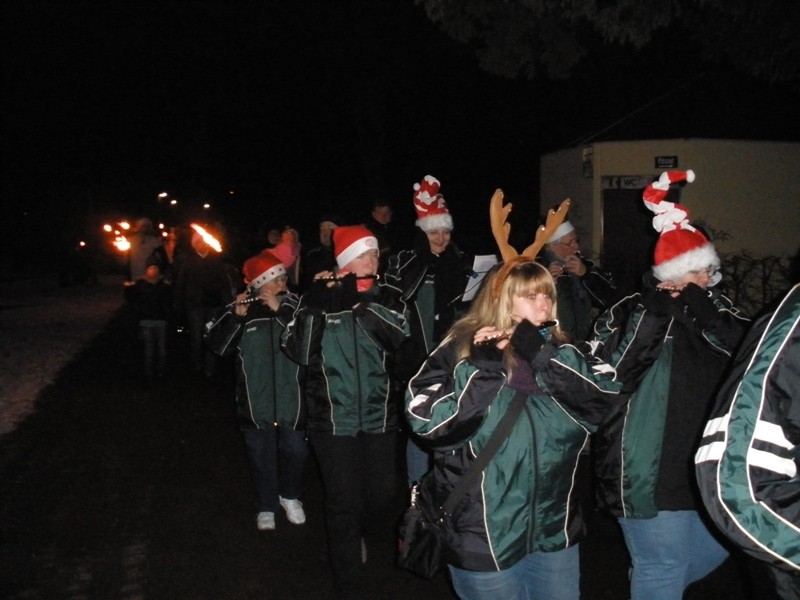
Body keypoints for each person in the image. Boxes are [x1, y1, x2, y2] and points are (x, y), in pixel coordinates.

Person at [406, 257, 667, 600]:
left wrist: (541, 353)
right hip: (483, 533)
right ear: (503, 299)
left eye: (547, 294)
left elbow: (603, 401)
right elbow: (430, 427)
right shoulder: (462, 347)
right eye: (531, 296)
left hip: (553, 530)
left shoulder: (564, 352)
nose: (543, 303)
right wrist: (482, 370)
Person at [590, 169, 750, 600]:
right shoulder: (632, 309)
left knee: (717, 547)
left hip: (707, 465)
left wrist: (704, 310)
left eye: (706, 273)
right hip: (648, 466)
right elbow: (611, 372)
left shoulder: (718, 313)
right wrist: (657, 310)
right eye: (692, 273)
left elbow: (749, 354)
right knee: (663, 565)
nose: (702, 282)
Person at [282, 225, 409, 599]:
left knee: (384, 494)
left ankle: (359, 533)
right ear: (345, 260)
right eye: (366, 254)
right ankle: (348, 583)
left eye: (375, 254)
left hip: (379, 416)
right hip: (331, 420)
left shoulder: (386, 296)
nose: (375, 260)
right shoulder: (318, 297)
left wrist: (359, 301)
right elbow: (300, 352)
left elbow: (398, 337)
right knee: (342, 503)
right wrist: (317, 302)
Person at [695, 282, 800, 599]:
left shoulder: (717, 306)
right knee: (664, 566)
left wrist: (709, 314)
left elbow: (736, 341)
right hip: (682, 460)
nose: (706, 276)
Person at [205, 251, 309, 531]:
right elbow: (217, 347)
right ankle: (266, 504)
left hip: (293, 398)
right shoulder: (241, 309)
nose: (279, 286)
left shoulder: (297, 306)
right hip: (254, 399)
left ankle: (290, 496)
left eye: (282, 279)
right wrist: (235, 318)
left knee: (295, 450)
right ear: (256, 285)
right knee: (260, 454)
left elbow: (310, 340)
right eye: (273, 281)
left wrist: (282, 309)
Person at [385, 174, 473, 486]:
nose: (441, 238)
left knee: (450, 420)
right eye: (434, 232)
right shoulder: (406, 260)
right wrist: (427, 260)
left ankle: (446, 488)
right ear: (423, 232)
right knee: (421, 427)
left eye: (446, 232)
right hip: (417, 357)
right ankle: (416, 489)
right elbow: (399, 294)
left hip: (452, 356)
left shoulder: (458, 260)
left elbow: (466, 306)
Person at [539, 218, 617, 342]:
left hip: (586, 342)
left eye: (577, 241)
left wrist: (585, 274)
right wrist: (544, 282)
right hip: (555, 344)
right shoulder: (538, 268)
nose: (577, 247)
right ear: (552, 246)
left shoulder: (585, 265)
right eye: (571, 243)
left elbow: (611, 299)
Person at [173, 225, 233, 379]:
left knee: (212, 335)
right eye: (198, 241)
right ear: (195, 244)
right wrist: (178, 304)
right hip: (195, 305)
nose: (202, 244)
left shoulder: (216, 260)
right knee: (196, 337)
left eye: (204, 241)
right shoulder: (189, 261)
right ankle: (196, 365)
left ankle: (209, 368)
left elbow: (224, 283)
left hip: (213, 305)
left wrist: (226, 304)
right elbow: (181, 283)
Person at [124, 259, 172, 383]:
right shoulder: (140, 284)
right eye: (151, 267)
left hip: (161, 320)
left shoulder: (163, 285)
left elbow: (168, 301)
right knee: (149, 348)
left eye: (155, 267)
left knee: (161, 348)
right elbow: (131, 299)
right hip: (146, 320)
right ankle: (148, 373)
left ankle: (161, 371)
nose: (153, 269)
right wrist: (128, 288)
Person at [300, 214, 344, 292]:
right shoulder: (313, 255)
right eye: (322, 229)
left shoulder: (349, 254)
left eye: (330, 229)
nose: (325, 233)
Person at [363, 198, 399, 275]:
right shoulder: (367, 231)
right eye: (380, 213)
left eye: (387, 212)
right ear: (373, 213)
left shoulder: (398, 229)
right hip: (377, 272)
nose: (384, 216)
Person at [127, 218, 164, 283]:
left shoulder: (154, 241)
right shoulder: (131, 240)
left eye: (147, 226)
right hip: (135, 270)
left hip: (150, 272)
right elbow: (125, 257)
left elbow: (160, 256)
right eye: (143, 226)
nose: (145, 229)